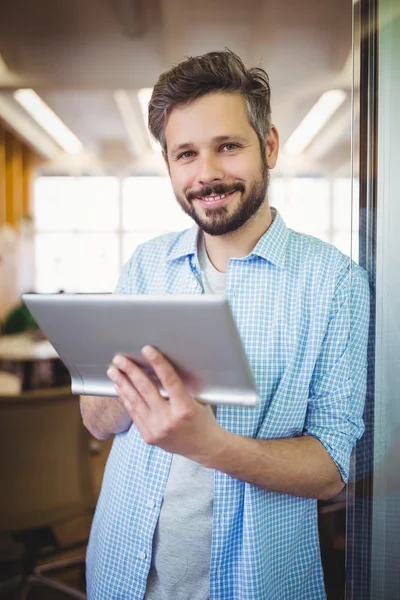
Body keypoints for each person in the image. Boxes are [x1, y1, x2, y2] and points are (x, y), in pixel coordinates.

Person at [81, 50, 369, 600]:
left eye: (228, 146)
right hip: (122, 575)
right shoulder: (146, 266)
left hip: (255, 584)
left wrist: (209, 444)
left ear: (270, 147)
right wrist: (133, 380)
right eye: (186, 154)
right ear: (168, 164)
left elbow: (333, 467)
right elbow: (96, 421)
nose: (207, 173)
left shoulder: (335, 283)